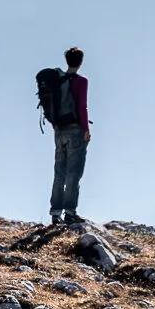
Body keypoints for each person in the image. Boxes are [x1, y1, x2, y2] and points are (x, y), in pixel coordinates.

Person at [48, 47, 92, 224]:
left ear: (67, 61)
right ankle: (70, 211)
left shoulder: (58, 81)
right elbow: (82, 106)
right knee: (74, 172)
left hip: (59, 130)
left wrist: (56, 126)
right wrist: (86, 129)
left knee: (59, 171)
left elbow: (51, 106)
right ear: (80, 62)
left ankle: (55, 212)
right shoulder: (81, 81)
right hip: (75, 130)